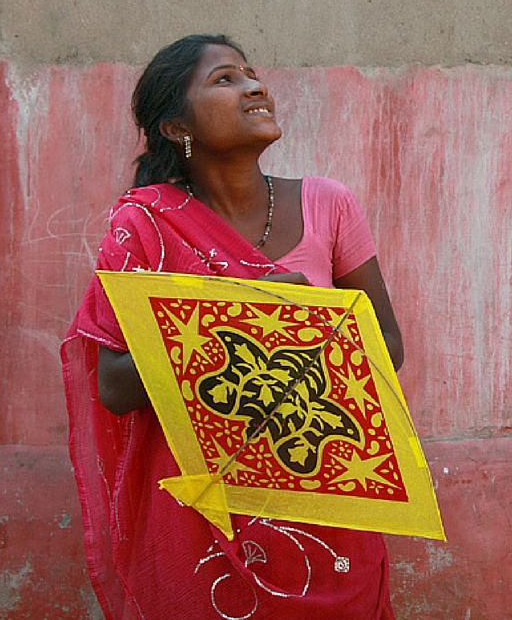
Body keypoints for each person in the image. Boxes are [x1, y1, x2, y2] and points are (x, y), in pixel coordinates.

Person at [61, 34, 403, 619]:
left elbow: (387, 348)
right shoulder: (145, 221)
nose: (255, 87)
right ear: (175, 126)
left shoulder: (329, 204)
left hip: (320, 492)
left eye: (252, 75)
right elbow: (114, 386)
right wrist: (248, 308)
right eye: (225, 79)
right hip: (200, 513)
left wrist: (299, 325)